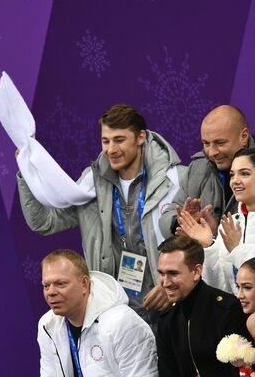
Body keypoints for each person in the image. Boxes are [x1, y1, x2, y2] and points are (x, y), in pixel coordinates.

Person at [18, 104, 184, 323]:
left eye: (119, 139)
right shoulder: (92, 183)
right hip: (115, 307)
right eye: (105, 141)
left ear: (141, 137)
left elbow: (195, 243)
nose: (111, 149)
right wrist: (27, 173)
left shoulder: (175, 179)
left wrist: (172, 285)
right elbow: (45, 222)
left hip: (168, 303)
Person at [159, 105, 255, 238]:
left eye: (220, 143)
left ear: (244, 136)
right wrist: (183, 223)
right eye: (206, 143)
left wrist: (214, 238)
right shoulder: (198, 166)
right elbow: (167, 217)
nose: (212, 152)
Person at [178, 148, 255, 294]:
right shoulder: (230, 223)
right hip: (236, 313)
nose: (235, 181)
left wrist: (236, 250)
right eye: (232, 175)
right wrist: (208, 245)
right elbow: (218, 287)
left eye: (245, 174)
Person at [38, 249, 158, 377]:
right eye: (46, 286)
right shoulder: (47, 325)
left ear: (84, 284)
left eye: (60, 284)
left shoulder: (122, 322)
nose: (51, 292)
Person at [155, 235, 251, 377]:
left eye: (173, 273)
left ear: (196, 271)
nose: (165, 282)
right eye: (162, 274)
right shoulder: (167, 319)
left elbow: (242, 371)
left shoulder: (228, 311)